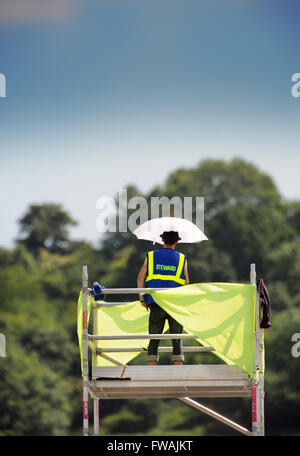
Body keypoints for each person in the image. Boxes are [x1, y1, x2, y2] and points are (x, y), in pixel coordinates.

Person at [137, 231, 189, 366]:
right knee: (177, 339)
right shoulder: (182, 258)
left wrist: (142, 299)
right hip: (175, 304)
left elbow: (140, 277)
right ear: (177, 241)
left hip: (156, 302)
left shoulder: (152, 255)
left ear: (162, 240)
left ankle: (151, 371)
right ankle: (179, 371)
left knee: (154, 339)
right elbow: (186, 283)